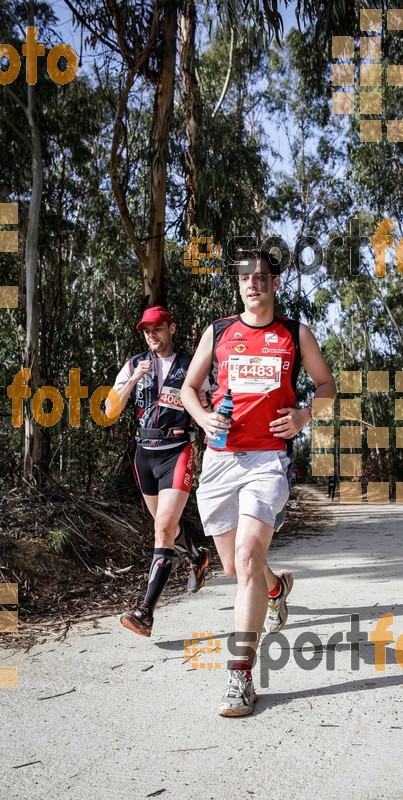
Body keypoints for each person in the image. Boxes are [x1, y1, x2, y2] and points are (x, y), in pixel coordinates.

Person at [181, 250, 336, 716]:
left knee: (247, 557)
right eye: (246, 277)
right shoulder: (219, 331)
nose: (253, 284)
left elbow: (326, 387)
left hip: (268, 461)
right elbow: (189, 387)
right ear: (239, 285)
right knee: (235, 569)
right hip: (221, 462)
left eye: (262, 277)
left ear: (276, 283)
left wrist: (306, 414)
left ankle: (241, 675)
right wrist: (204, 419)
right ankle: (274, 588)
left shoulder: (294, 334)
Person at [108, 306, 210, 637]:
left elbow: (209, 404)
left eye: (157, 328)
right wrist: (134, 379)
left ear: (171, 327)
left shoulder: (190, 365)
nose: (152, 334)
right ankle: (196, 556)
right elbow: (110, 409)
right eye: (146, 330)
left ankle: (145, 612)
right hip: (144, 455)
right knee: (164, 525)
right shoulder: (134, 364)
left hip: (177, 451)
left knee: (163, 529)